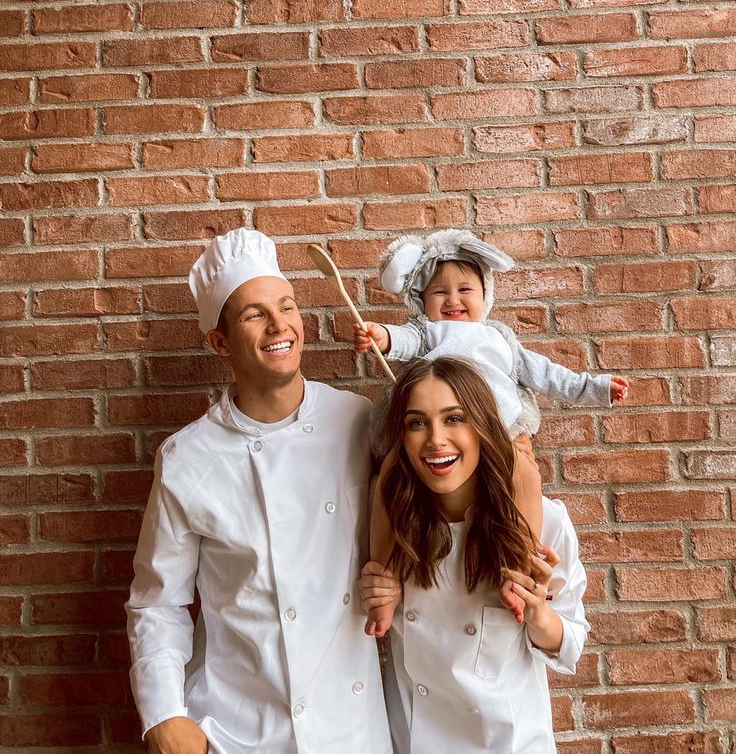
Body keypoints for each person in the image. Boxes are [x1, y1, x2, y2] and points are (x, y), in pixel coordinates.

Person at [126, 228, 392, 754]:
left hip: (351, 724)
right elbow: (158, 602)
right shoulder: (187, 458)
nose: (280, 325)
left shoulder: (359, 420)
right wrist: (163, 715)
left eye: (287, 306)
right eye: (254, 314)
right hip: (233, 728)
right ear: (220, 342)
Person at [354, 228, 628, 634]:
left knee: (525, 474)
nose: (452, 300)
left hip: (502, 429)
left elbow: (546, 374)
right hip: (446, 432)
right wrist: (381, 335)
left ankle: (519, 569)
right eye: (438, 293)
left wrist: (594, 387)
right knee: (388, 477)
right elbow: (402, 339)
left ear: (485, 296)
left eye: (466, 289)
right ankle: (386, 578)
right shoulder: (428, 332)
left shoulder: (500, 339)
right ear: (420, 301)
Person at [362, 356, 589, 754]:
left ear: (482, 427)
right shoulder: (392, 528)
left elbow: (569, 644)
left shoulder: (544, 522)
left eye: (454, 419)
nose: (435, 440)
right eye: (417, 423)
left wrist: (537, 612)